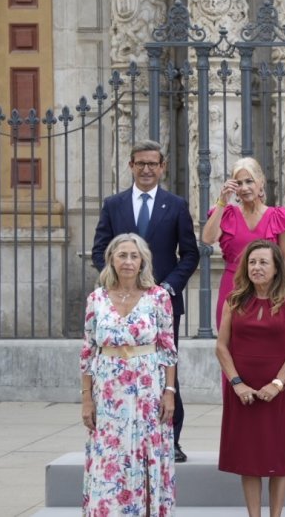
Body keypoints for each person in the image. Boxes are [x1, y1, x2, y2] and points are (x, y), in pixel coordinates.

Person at [91, 139, 198, 462]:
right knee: (121, 368)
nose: (147, 169)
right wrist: (117, 285)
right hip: (121, 304)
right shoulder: (114, 204)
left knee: (165, 367)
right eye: (141, 163)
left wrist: (166, 289)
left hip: (162, 305)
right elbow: (100, 251)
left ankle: (171, 439)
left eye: (153, 163)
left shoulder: (176, 204)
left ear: (162, 167)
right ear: (131, 166)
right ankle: (123, 435)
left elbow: (190, 254)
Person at [80, 233, 177, 515]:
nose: (128, 261)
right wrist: (87, 398)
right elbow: (87, 351)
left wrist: (169, 392)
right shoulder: (96, 298)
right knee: (109, 455)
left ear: (143, 261)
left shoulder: (158, 296)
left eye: (134, 256)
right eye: (122, 255)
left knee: (147, 452)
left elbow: (168, 349)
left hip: (148, 390)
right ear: (111, 258)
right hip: (109, 391)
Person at [216, 240, 285, 517]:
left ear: (277, 268)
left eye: (263, 262)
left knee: (277, 457)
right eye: (252, 262)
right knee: (249, 459)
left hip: (277, 390)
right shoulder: (234, 299)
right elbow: (221, 346)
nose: (256, 267)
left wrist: (277, 384)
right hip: (242, 392)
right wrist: (237, 384)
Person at [202, 156, 285, 329]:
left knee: (264, 344)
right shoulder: (227, 214)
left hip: (268, 288)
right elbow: (208, 239)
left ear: (261, 183)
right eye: (238, 183)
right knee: (230, 343)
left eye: (249, 181)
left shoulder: (277, 216)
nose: (244, 188)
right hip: (232, 287)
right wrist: (222, 200)